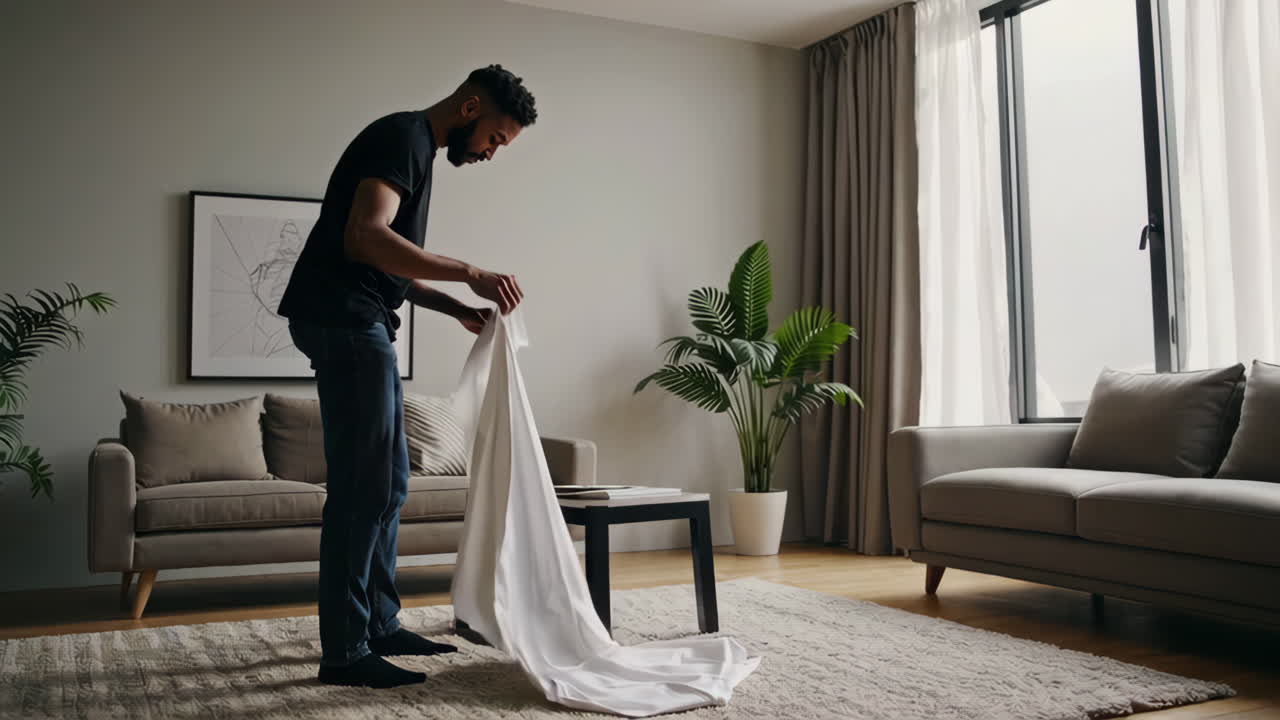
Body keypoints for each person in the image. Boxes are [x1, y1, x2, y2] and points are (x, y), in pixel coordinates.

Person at [277, 64, 535, 688]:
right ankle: (344, 652)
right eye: (495, 139)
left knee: (389, 483)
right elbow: (366, 238)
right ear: (471, 109)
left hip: (360, 318)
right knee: (362, 488)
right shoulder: (403, 139)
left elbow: (389, 266)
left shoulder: (415, 147)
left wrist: (457, 308)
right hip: (343, 322)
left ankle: (379, 624)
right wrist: (470, 271)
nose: (490, 154)